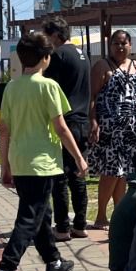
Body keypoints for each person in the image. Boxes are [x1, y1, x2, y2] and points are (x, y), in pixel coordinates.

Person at [0, 34, 82, 271]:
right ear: (46, 58)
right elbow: (61, 127)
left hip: (20, 161)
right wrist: (78, 157)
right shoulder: (49, 86)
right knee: (29, 218)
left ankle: (53, 261)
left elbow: (4, 131)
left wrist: (5, 165)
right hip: (43, 163)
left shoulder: (11, 88)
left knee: (41, 213)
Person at [87, 30, 136, 229]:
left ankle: (118, 214)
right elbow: (92, 97)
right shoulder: (101, 66)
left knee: (124, 173)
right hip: (110, 129)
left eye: (124, 43)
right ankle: (100, 216)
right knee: (110, 172)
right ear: (110, 46)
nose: (120, 47)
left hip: (133, 129)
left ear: (130, 45)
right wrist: (93, 122)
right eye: (116, 43)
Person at [40, 20, 93, 241]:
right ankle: (80, 224)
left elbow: (47, 87)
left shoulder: (59, 56)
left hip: (65, 122)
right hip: (82, 121)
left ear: (55, 35)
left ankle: (61, 227)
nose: (46, 42)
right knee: (78, 175)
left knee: (60, 177)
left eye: (47, 36)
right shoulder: (83, 56)